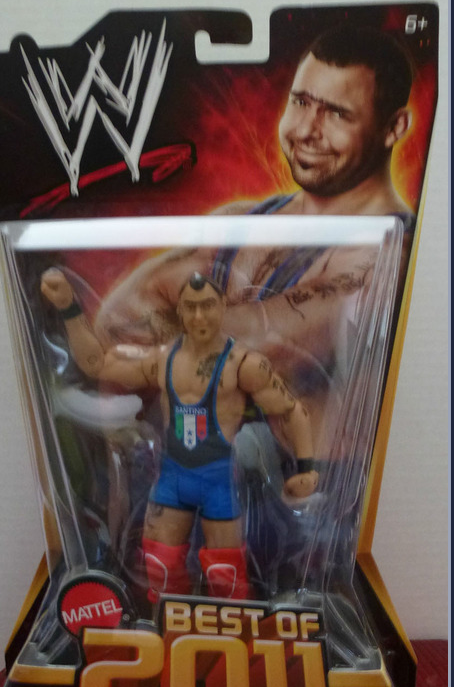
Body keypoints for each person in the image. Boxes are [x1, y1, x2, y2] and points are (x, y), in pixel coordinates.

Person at [92, 25, 416, 462]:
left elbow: (259, 348)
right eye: (300, 102)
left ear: (394, 127)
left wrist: (168, 346)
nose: (306, 130)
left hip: (305, 496)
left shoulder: (388, 258)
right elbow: (117, 321)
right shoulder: (238, 221)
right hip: (182, 480)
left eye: (337, 114)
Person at [41, 269, 319, 602]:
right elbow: (96, 365)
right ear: (180, 312)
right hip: (173, 478)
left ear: (222, 306)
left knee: (225, 574)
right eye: (191, 307)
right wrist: (69, 308)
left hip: (218, 480)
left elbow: (291, 410)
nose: (199, 316)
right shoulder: (162, 359)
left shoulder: (243, 364)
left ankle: (234, 628)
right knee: (159, 566)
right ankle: (170, 627)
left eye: (207, 306)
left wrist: (307, 469)